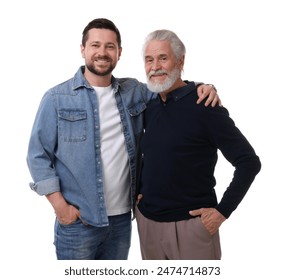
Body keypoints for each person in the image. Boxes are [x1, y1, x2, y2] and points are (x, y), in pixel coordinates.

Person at [26, 18, 219, 260]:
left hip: (121, 221)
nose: (102, 53)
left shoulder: (134, 92)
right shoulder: (57, 98)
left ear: (119, 53)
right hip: (78, 222)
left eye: (110, 46)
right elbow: (37, 155)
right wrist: (59, 206)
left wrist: (203, 86)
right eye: (95, 45)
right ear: (82, 49)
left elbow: (170, 84)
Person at [135, 29, 261, 260]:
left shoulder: (205, 105)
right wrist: (140, 192)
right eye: (149, 59)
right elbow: (152, 153)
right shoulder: (149, 105)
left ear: (180, 61)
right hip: (148, 224)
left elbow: (248, 162)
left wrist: (222, 211)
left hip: (191, 227)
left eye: (163, 58)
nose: (155, 66)